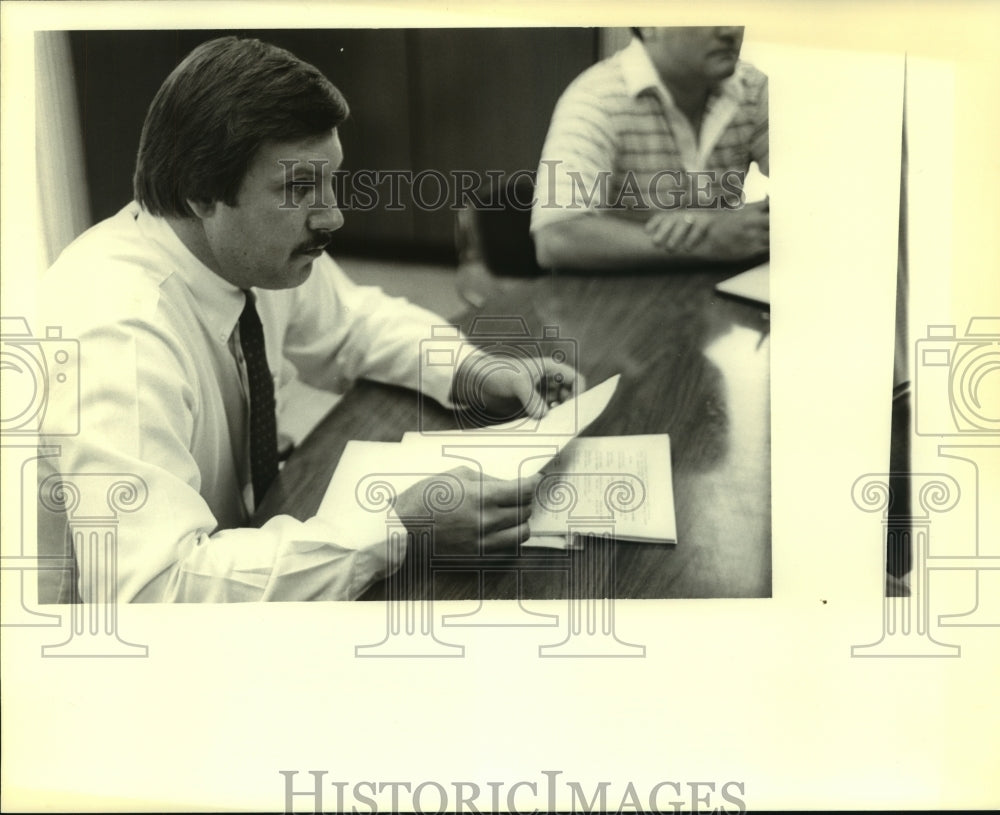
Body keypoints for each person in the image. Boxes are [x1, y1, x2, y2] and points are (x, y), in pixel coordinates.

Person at [38, 36, 578, 603]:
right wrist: (398, 529)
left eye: (330, 180)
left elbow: (357, 323)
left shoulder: (249, 251)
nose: (333, 215)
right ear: (200, 192)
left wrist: (474, 374)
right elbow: (155, 592)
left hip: (237, 544)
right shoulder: (118, 333)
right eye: (298, 188)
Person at [531, 26, 769, 270]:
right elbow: (556, 237)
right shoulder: (596, 98)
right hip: (619, 298)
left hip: (722, 294)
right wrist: (709, 239)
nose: (730, 29)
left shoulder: (753, 88)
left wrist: (728, 223)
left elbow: (808, 198)